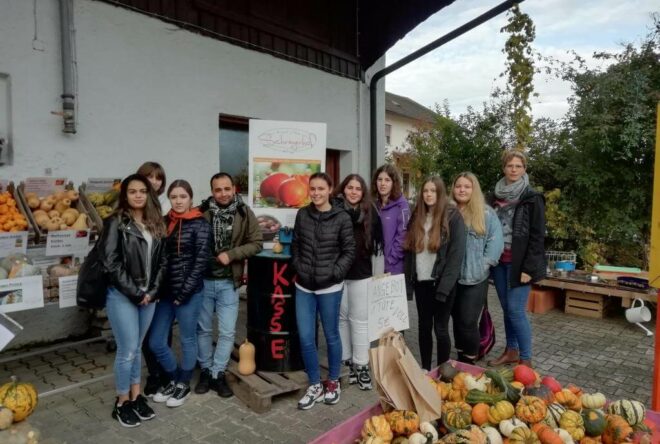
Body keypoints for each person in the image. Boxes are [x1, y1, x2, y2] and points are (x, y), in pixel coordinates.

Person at [97, 174, 167, 427]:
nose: (138, 195)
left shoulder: (155, 222)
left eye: (142, 191)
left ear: (149, 194)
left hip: (149, 295)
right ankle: (121, 401)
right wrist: (137, 293)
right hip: (123, 296)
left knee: (137, 348)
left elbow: (163, 261)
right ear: (124, 195)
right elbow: (110, 264)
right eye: (132, 191)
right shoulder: (115, 222)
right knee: (126, 351)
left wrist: (154, 290)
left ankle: (136, 396)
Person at [195, 173, 263, 397]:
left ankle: (218, 373)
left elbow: (256, 242)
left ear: (233, 189)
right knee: (203, 329)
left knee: (226, 331)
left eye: (227, 189)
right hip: (203, 282)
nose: (223, 194)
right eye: (218, 190)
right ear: (212, 191)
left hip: (228, 283)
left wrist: (232, 254)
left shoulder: (244, 212)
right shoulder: (200, 213)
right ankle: (205, 370)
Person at [293, 172, 355, 410]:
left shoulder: (342, 217)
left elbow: (349, 250)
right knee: (307, 337)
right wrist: (298, 266)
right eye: (313, 189)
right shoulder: (303, 214)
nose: (316, 193)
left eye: (321, 189)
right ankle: (314, 383)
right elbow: (296, 244)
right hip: (304, 286)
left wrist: (335, 272)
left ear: (330, 190)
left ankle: (333, 382)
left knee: (331, 335)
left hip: (330, 286)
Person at [149, 180, 211, 407]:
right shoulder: (165, 223)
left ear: (190, 198)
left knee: (187, 338)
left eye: (182, 196)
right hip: (165, 294)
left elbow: (200, 263)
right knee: (156, 341)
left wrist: (183, 293)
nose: (178, 201)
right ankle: (175, 377)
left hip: (189, 293)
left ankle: (184, 383)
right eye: (174, 196)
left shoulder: (200, 224)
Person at [487, 150, 546, 368]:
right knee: (506, 309)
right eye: (510, 165)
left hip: (520, 264)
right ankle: (511, 350)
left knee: (515, 309)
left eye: (518, 166)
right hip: (500, 262)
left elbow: (538, 236)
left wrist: (529, 268)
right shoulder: (494, 197)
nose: (513, 170)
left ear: (524, 169)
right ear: (504, 168)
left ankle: (526, 359)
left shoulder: (532, 198)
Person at [403, 176, 466, 370]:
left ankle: (442, 371)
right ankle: (425, 369)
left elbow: (456, 257)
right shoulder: (417, 216)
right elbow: (410, 253)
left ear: (440, 194)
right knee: (423, 328)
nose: (429, 195)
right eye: (425, 191)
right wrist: (409, 283)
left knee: (440, 329)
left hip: (442, 285)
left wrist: (444, 288)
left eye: (433, 191)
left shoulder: (453, 217)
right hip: (422, 282)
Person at [333, 174, 382, 391]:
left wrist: (379, 276)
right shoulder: (333, 211)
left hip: (362, 274)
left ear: (363, 192)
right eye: (349, 187)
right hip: (338, 274)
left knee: (360, 320)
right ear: (343, 189)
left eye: (358, 188)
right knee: (342, 319)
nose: (353, 191)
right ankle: (346, 362)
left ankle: (362, 365)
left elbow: (379, 247)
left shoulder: (370, 212)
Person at [450, 172, 504, 365]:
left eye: (467, 186)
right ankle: (461, 356)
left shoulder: (486, 213)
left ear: (474, 189)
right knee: (456, 321)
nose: (462, 190)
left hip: (475, 279)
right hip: (451, 278)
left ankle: (470, 360)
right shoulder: (449, 211)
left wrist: (483, 265)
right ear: (453, 189)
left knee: (467, 322)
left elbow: (495, 244)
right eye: (459, 186)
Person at [136, 161, 171, 396]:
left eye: (159, 177)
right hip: (143, 279)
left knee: (162, 331)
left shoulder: (168, 206)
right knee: (147, 333)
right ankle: (154, 374)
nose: (154, 181)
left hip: (164, 277)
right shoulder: (135, 207)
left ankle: (166, 373)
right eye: (149, 176)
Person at [372, 164, 409, 275]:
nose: (383, 183)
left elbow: (403, 236)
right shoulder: (374, 205)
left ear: (394, 183)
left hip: (394, 267)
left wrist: (390, 261)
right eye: (380, 179)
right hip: (375, 266)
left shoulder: (402, 206)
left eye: (387, 180)